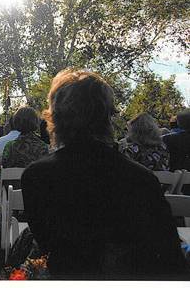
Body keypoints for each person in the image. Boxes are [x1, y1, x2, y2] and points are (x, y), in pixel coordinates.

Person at [21, 69, 188, 279]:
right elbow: (171, 263)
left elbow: (46, 244)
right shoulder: (141, 180)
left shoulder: (36, 177)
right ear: (108, 117)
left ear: (55, 118)